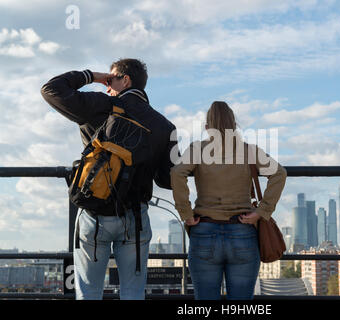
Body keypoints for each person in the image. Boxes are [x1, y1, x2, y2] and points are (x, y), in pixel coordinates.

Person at [41, 58, 178, 300]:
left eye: (111, 79)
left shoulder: (102, 106)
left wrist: (92, 75)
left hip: (95, 213)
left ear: (125, 80)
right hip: (135, 218)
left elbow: (51, 89)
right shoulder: (166, 126)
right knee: (133, 293)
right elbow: (167, 180)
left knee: (89, 292)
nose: (107, 85)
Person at [170, 101, 287, 300]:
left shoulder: (198, 149)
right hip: (242, 231)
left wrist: (186, 214)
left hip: (204, 231)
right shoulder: (249, 150)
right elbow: (279, 174)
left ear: (207, 128)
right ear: (234, 126)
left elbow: (177, 173)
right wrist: (262, 212)